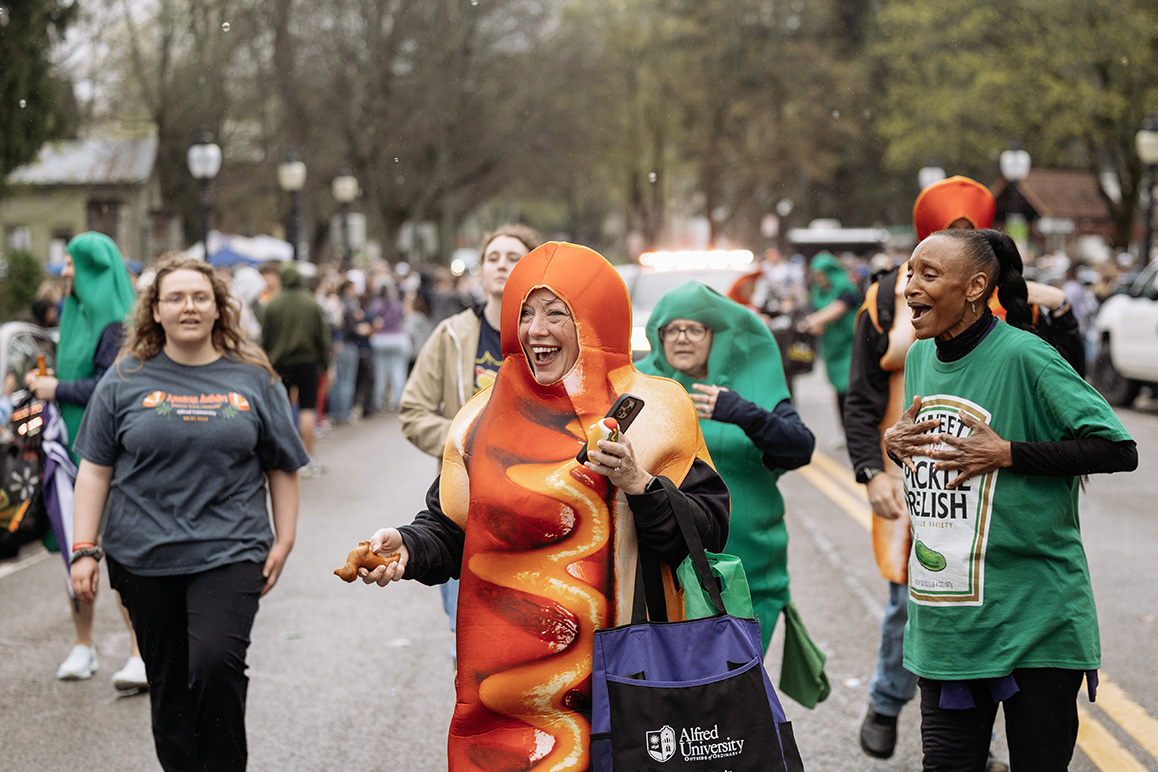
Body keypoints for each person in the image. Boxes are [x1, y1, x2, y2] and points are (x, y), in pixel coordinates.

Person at [360, 242, 730, 771]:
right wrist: (408, 547)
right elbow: (451, 526)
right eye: (526, 312)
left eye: (558, 313)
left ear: (595, 320)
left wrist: (638, 483)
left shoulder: (657, 410)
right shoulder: (477, 419)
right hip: (505, 699)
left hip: (628, 686)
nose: (536, 330)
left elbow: (708, 532)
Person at [845, 176, 1083, 764]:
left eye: (966, 237)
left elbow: (1077, 399)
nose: (919, 283)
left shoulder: (1022, 314)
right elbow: (863, 394)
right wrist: (876, 464)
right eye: (934, 245)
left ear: (979, 274)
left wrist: (1010, 452)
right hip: (924, 486)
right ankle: (885, 699)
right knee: (914, 592)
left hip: (1009, 500)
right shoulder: (889, 303)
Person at [882, 228, 1136, 772]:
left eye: (928, 275)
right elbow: (943, 468)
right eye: (910, 273)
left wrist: (1010, 454)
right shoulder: (922, 358)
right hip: (949, 625)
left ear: (975, 287)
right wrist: (895, 447)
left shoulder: (1027, 356)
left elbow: (1118, 449)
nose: (909, 287)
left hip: (1032, 618)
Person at [69, 256, 308, 772]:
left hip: (232, 547)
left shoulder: (253, 378)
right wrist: (84, 548)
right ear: (155, 311)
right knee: (170, 680)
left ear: (219, 307)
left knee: (215, 664)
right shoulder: (124, 378)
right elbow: (94, 469)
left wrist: (283, 540)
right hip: (142, 556)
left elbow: (282, 465)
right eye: (175, 298)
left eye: (200, 297)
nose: (188, 307)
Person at [636, 281, 814, 652]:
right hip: (665, 572)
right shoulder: (638, 385)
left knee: (738, 693)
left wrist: (743, 413)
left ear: (715, 335)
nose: (682, 338)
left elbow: (799, 448)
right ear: (659, 335)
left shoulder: (747, 384)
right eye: (672, 329)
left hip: (746, 572)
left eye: (695, 329)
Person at [398, 223, 541, 651]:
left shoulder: (549, 334)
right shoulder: (452, 335)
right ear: (479, 270)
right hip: (469, 500)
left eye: (513, 257)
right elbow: (413, 411)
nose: (502, 265)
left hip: (537, 495)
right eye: (493, 257)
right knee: (472, 633)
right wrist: (469, 441)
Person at [25, 232, 146, 690]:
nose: (64, 271)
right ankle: (83, 644)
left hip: (111, 455)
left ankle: (139, 650)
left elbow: (108, 385)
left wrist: (56, 389)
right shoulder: (73, 312)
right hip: (71, 451)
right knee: (78, 549)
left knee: (118, 552)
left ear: (94, 269)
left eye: (73, 264)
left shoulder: (119, 322)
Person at [262, 262, 331, 475]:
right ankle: (308, 457)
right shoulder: (312, 303)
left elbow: (266, 337)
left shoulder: (272, 304)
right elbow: (323, 337)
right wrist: (325, 364)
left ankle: (284, 458)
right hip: (308, 362)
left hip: (280, 363)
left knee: (281, 410)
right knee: (307, 409)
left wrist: (269, 360)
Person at [801, 251, 858, 435]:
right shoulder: (817, 291)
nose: (819, 279)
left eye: (821, 274)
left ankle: (855, 430)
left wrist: (813, 321)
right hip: (832, 348)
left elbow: (838, 308)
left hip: (850, 347)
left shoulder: (846, 288)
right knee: (839, 391)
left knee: (851, 390)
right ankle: (844, 430)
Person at [367, 277, 410, 413]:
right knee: (398, 372)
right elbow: (403, 317)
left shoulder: (377, 304)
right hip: (397, 338)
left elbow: (373, 319)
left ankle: (378, 402)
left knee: (380, 372)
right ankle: (399, 401)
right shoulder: (396, 304)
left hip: (380, 339)